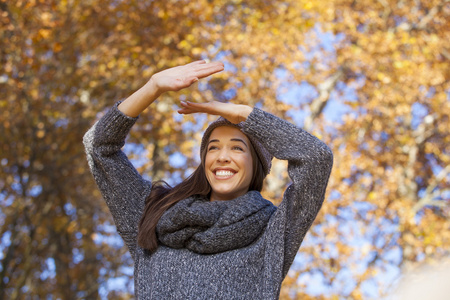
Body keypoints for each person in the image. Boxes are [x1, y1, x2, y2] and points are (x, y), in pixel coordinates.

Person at [83, 60, 333, 299]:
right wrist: (153, 86)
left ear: (256, 164)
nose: (222, 156)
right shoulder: (153, 214)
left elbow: (316, 158)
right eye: (213, 148)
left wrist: (243, 114)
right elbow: (98, 147)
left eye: (237, 148)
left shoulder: (274, 230)